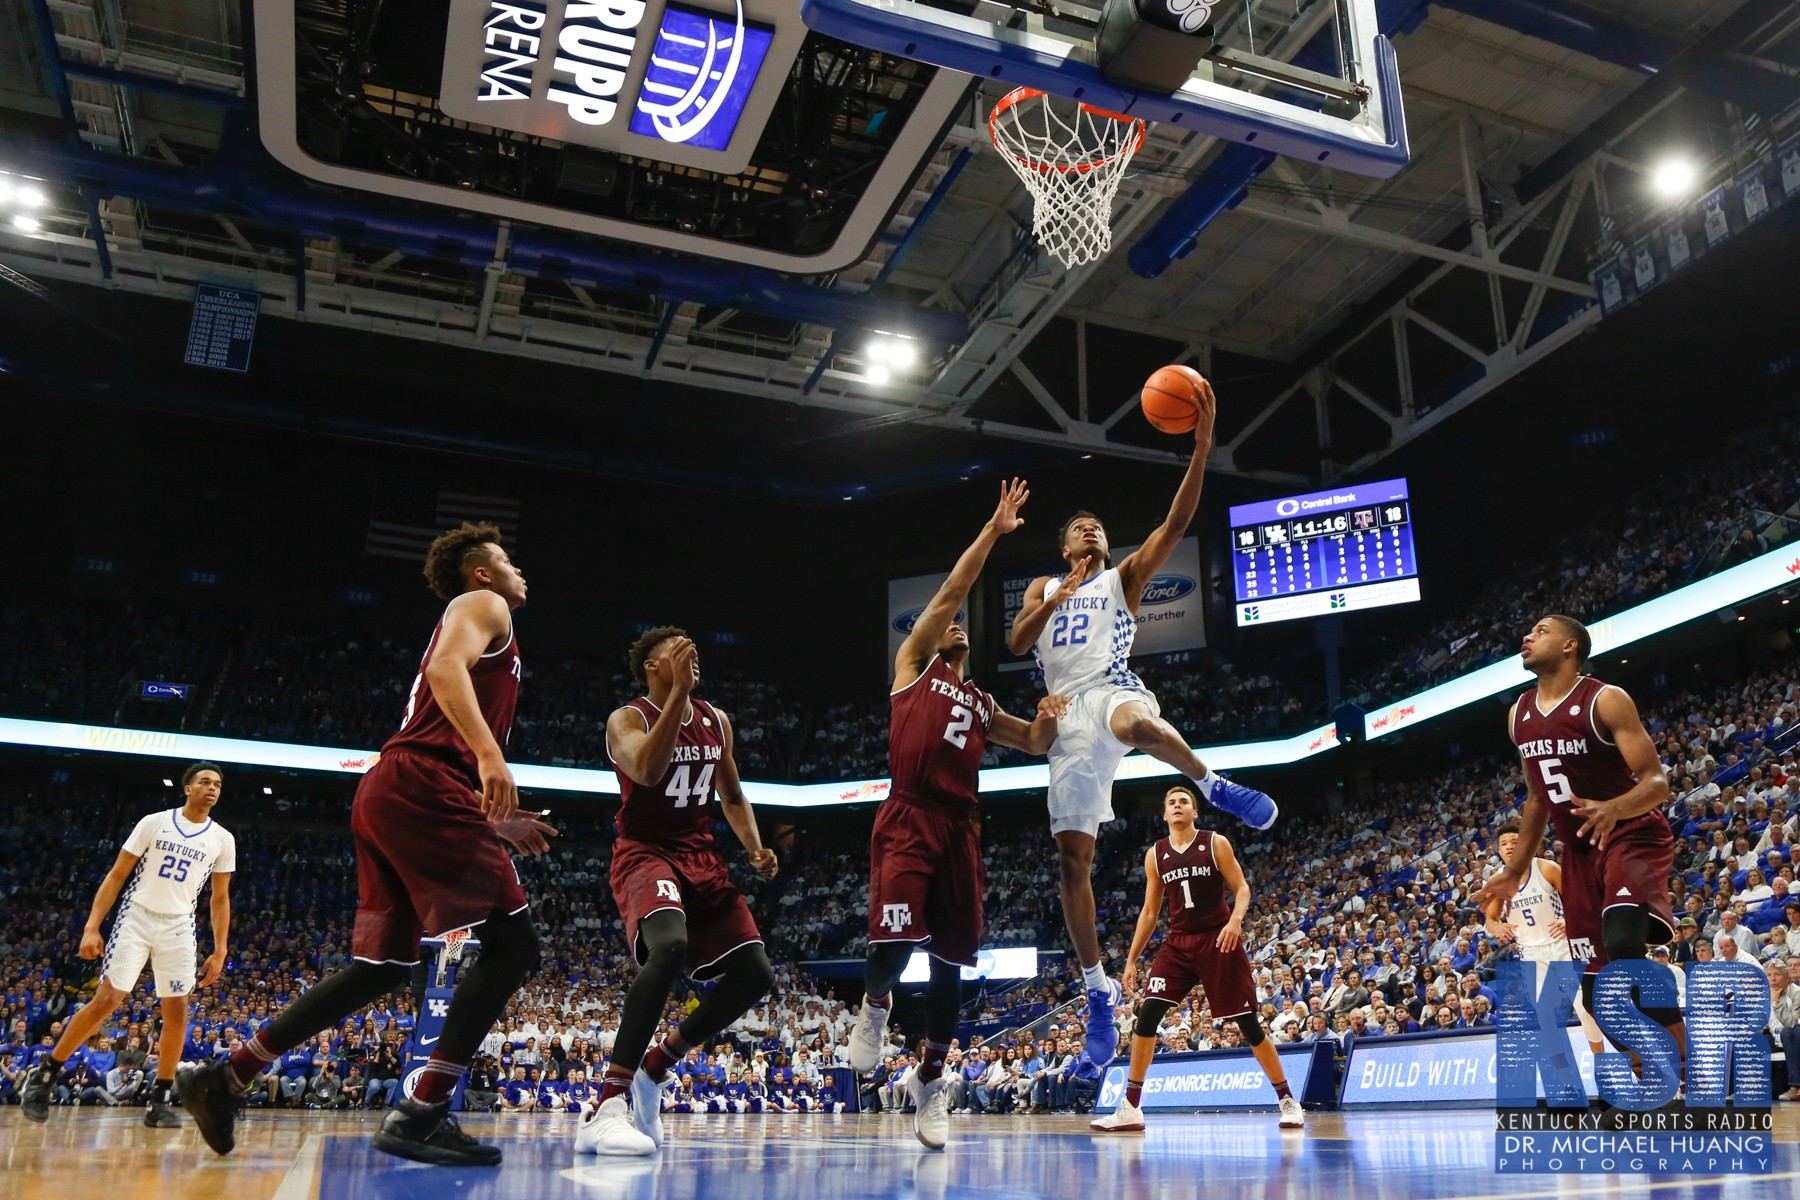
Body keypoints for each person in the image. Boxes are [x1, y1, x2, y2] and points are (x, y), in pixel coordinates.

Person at [182, 523, 555, 1166]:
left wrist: (486, 815)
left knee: (381, 968)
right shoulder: (483, 604)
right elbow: (443, 671)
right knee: (514, 944)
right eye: (507, 561)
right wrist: (492, 760)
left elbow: (433, 726)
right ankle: (422, 1111)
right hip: (420, 781)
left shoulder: (485, 618)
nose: (519, 570)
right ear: (482, 573)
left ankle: (228, 1077)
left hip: (400, 790)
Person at [1005, 387, 1278, 1075]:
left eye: (1098, 525)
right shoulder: (1043, 587)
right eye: (1080, 527)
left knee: (1137, 720)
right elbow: (1014, 644)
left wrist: (1201, 448)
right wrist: (1057, 595)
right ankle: (1098, 993)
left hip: (1109, 691)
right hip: (1063, 715)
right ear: (1064, 543)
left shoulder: (1122, 578)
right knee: (1073, 861)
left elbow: (1176, 523)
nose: (1091, 530)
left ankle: (1212, 784)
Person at [848, 480, 1066, 1150]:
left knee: (951, 963)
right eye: (945, 618)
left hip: (959, 831)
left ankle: (932, 1083)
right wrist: (995, 531)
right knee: (889, 949)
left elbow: (1031, 741)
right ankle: (875, 1006)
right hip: (909, 814)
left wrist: (1051, 720)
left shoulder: (979, 701)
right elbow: (954, 587)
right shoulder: (913, 665)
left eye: (955, 622)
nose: (952, 621)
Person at [576, 626, 779, 1156]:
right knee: (668, 947)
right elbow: (644, 767)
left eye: (695, 649)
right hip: (647, 852)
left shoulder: (717, 721)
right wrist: (680, 697)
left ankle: (657, 1066)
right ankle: (608, 1102)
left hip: (702, 857)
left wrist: (755, 846)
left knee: (757, 974)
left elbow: (731, 792)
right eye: (678, 652)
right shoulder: (628, 718)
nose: (692, 656)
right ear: (651, 667)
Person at [1472, 615, 1681, 1083]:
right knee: (1593, 995)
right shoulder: (1518, 713)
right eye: (1527, 631)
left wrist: (1616, 806)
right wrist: (1515, 871)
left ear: (1570, 647)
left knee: (1624, 942)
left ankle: (1686, 1068)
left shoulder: (1604, 699)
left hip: (1631, 833)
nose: (1527, 636)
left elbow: (1657, 783)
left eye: (1541, 631)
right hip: (1580, 851)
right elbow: (1536, 799)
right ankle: (1658, 1078)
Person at [20, 762, 235, 1129]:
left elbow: (219, 898)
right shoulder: (154, 822)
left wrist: (220, 949)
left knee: (178, 1011)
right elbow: (118, 874)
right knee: (107, 999)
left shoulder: (222, 839)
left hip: (180, 926)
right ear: (187, 788)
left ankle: (159, 1100)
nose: (212, 788)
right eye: (204, 782)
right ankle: (44, 1076)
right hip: (137, 916)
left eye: (216, 784)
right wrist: (92, 926)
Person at [1091, 786, 1304, 1133]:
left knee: (1248, 1024)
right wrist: (1131, 960)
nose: (1177, 806)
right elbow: (1149, 911)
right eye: (1171, 802)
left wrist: (1235, 921)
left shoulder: (1214, 842)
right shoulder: (1155, 855)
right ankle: (1130, 1107)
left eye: (1184, 802)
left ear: (1194, 812)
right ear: (1164, 815)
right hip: (1179, 943)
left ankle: (1288, 1101)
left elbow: (1243, 889)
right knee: (1146, 1017)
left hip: (1218, 938)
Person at [1481, 821, 1604, 1057]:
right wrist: (1497, 927)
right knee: (1545, 1017)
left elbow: (1581, 900)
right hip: (1531, 952)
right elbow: (1490, 919)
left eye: (1514, 842)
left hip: (1565, 947)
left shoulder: (1547, 868)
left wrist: (1571, 921)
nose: (1508, 847)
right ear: (1498, 850)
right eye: (1503, 844)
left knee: (1585, 1008)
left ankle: (1601, 1060)